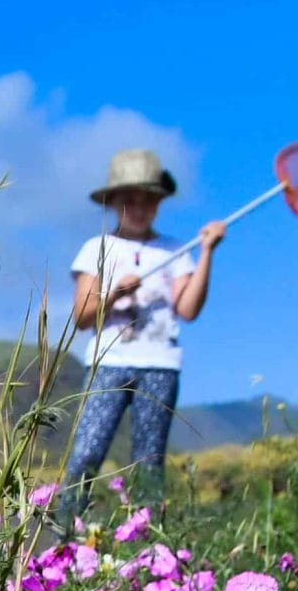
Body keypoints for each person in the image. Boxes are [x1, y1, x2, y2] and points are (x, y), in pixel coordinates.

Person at [58, 148, 225, 535]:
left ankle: (148, 548)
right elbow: (83, 317)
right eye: (130, 199)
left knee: (148, 461)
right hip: (109, 360)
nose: (139, 207)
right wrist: (114, 294)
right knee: (86, 452)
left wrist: (205, 254)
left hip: (160, 364)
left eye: (147, 199)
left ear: (158, 203)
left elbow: (188, 309)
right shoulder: (96, 248)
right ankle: (63, 539)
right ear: (115, 202)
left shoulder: (175, 250)